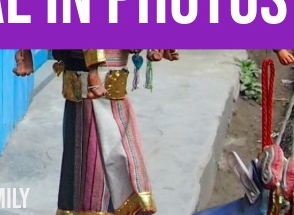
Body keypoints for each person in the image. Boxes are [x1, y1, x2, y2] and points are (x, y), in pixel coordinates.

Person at [13, 49, 175, 214]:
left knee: (114, 155)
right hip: (90, 82)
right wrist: (93, 70)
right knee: (92, 159)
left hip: (108, 80)